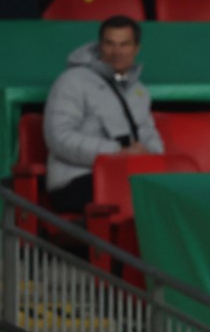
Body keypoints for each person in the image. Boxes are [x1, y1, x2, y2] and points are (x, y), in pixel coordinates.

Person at [43, 15, 163, 213]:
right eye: (110, 44)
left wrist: (148, 155)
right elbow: (58, 137)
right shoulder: (72, 81)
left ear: (136, 49)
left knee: (168, 192)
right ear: (100, 46)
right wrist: (115, 154)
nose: (117, 52)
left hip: (126, 175)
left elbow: (152, 140)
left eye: (124, 44)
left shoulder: (139, 91)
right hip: (76, 180)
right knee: (140, 194)